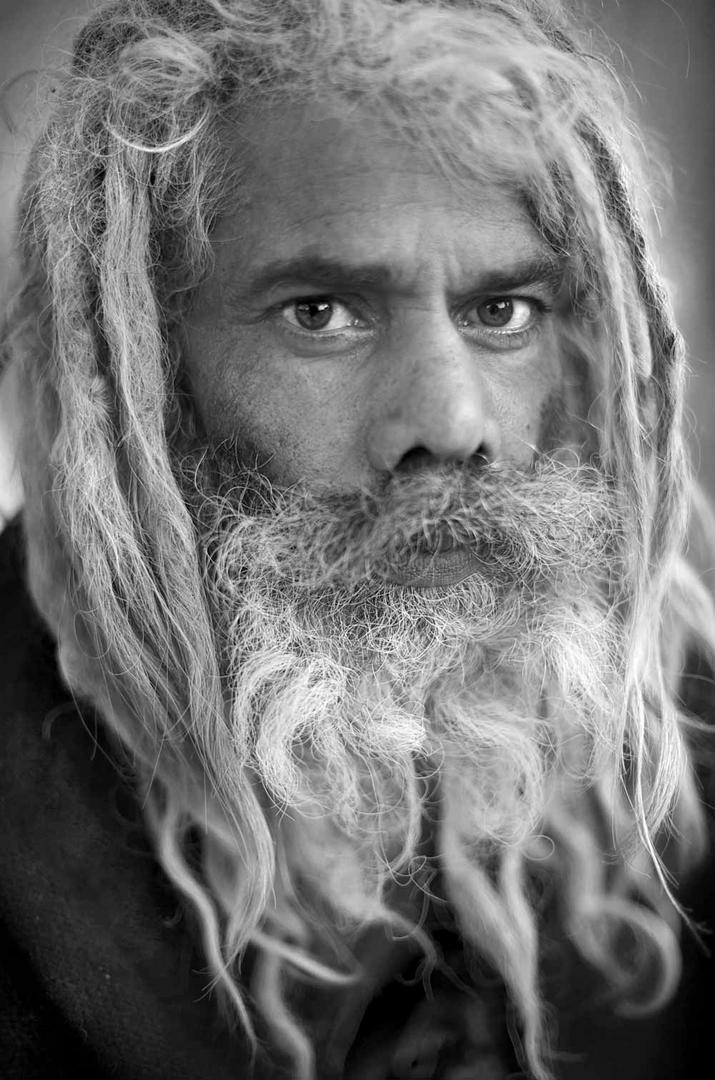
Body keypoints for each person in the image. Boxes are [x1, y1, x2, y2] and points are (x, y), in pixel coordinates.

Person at [1, 0, 714, 1077]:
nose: (453, 424)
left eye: (502, 311)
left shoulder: (682, 738)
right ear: (140, 374)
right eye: (322, 313)